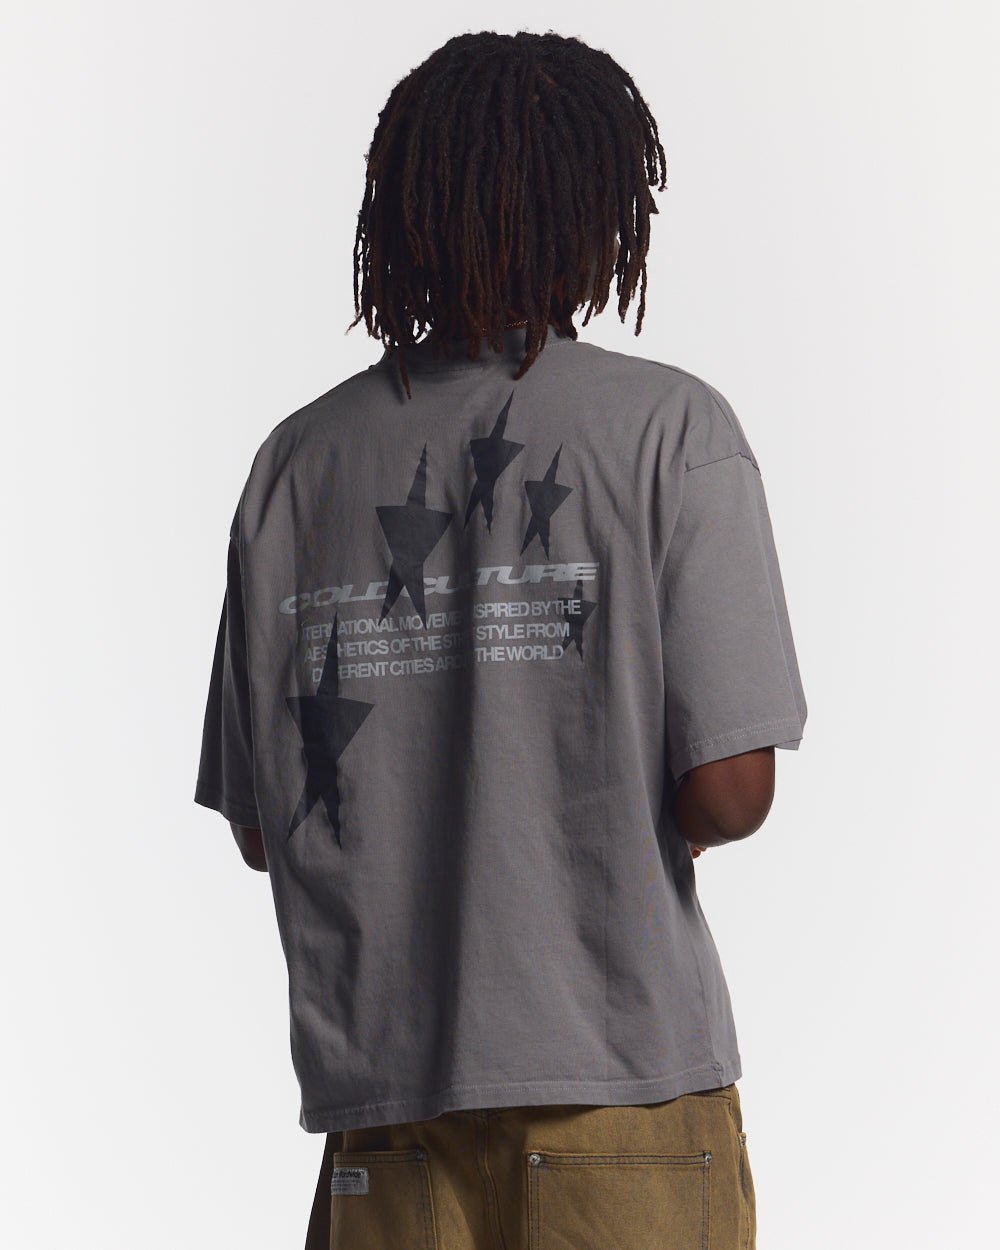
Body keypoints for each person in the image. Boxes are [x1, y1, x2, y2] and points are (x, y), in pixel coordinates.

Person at [194, 29, 806, 1250]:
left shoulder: (298, 465)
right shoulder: (670, 432)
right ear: (600, 211)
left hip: (388, 1119)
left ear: (403, 212)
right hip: (620, 1094)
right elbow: (730, 789)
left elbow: (267, 827)